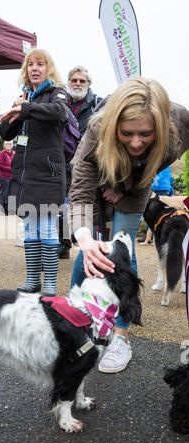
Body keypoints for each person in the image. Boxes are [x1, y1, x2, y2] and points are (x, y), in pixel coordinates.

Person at [68, 77, 189, 373]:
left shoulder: (180, 124)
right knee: (92, 250)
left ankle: (120, 336)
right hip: (100, 177)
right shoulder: (98, 129)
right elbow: (81, 188)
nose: (136, 142)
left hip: (138, 184)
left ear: (160, 128)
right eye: (128, 134)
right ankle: (73, 322)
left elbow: (153, 159)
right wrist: (83, 237)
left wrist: (127, 188)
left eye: (145, 134)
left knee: (124, 250)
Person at [0, 48, 68, 296]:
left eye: (40, 64)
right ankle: (32, 279)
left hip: (48, 173)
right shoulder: (24, 96)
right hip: (25, 174)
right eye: (30, 64)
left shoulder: (57, 93)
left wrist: (26, 108)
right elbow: (5, 133)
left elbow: (59, 113)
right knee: (30, 227)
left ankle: (49, 282)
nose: (35, 68)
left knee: (48, 226)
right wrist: (17, 113)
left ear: (49, 68)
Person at [59, 66, 104, 259]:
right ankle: (64, 243)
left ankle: (87, 241)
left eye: (81, 81)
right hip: (62, 162)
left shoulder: (97, 104)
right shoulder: (60, 101)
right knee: (62, 204)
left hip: (87, 163)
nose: (77, 84)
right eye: (74, 80)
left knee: (84, 203)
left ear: (88, 84)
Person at [0, 141, 14, 214]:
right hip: (4, 177)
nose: (9, 145)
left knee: (10, 193)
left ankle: (7, 210)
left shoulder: (13, 154)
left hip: (11, 177)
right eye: (7, 144)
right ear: (4, 145)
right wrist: (10, 168)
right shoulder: (2, 153)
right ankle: (1, 209)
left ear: (12, 145)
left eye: (10, 144)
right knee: (4, 193)